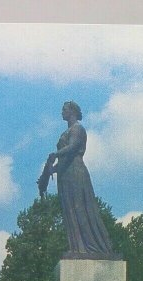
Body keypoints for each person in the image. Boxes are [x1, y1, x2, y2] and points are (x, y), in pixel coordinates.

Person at [43, 101, 116, 258]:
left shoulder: (78, 129)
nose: (62, 111)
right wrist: (52, 169)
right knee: (69, 210)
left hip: (76, 172)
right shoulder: (68, 130)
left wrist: (56, 154)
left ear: (72, 111)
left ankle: (93, 246)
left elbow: (74, 146)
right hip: (65, 174)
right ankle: (77, 248)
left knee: (80, 208)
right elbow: (64, 157)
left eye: (64, 109)